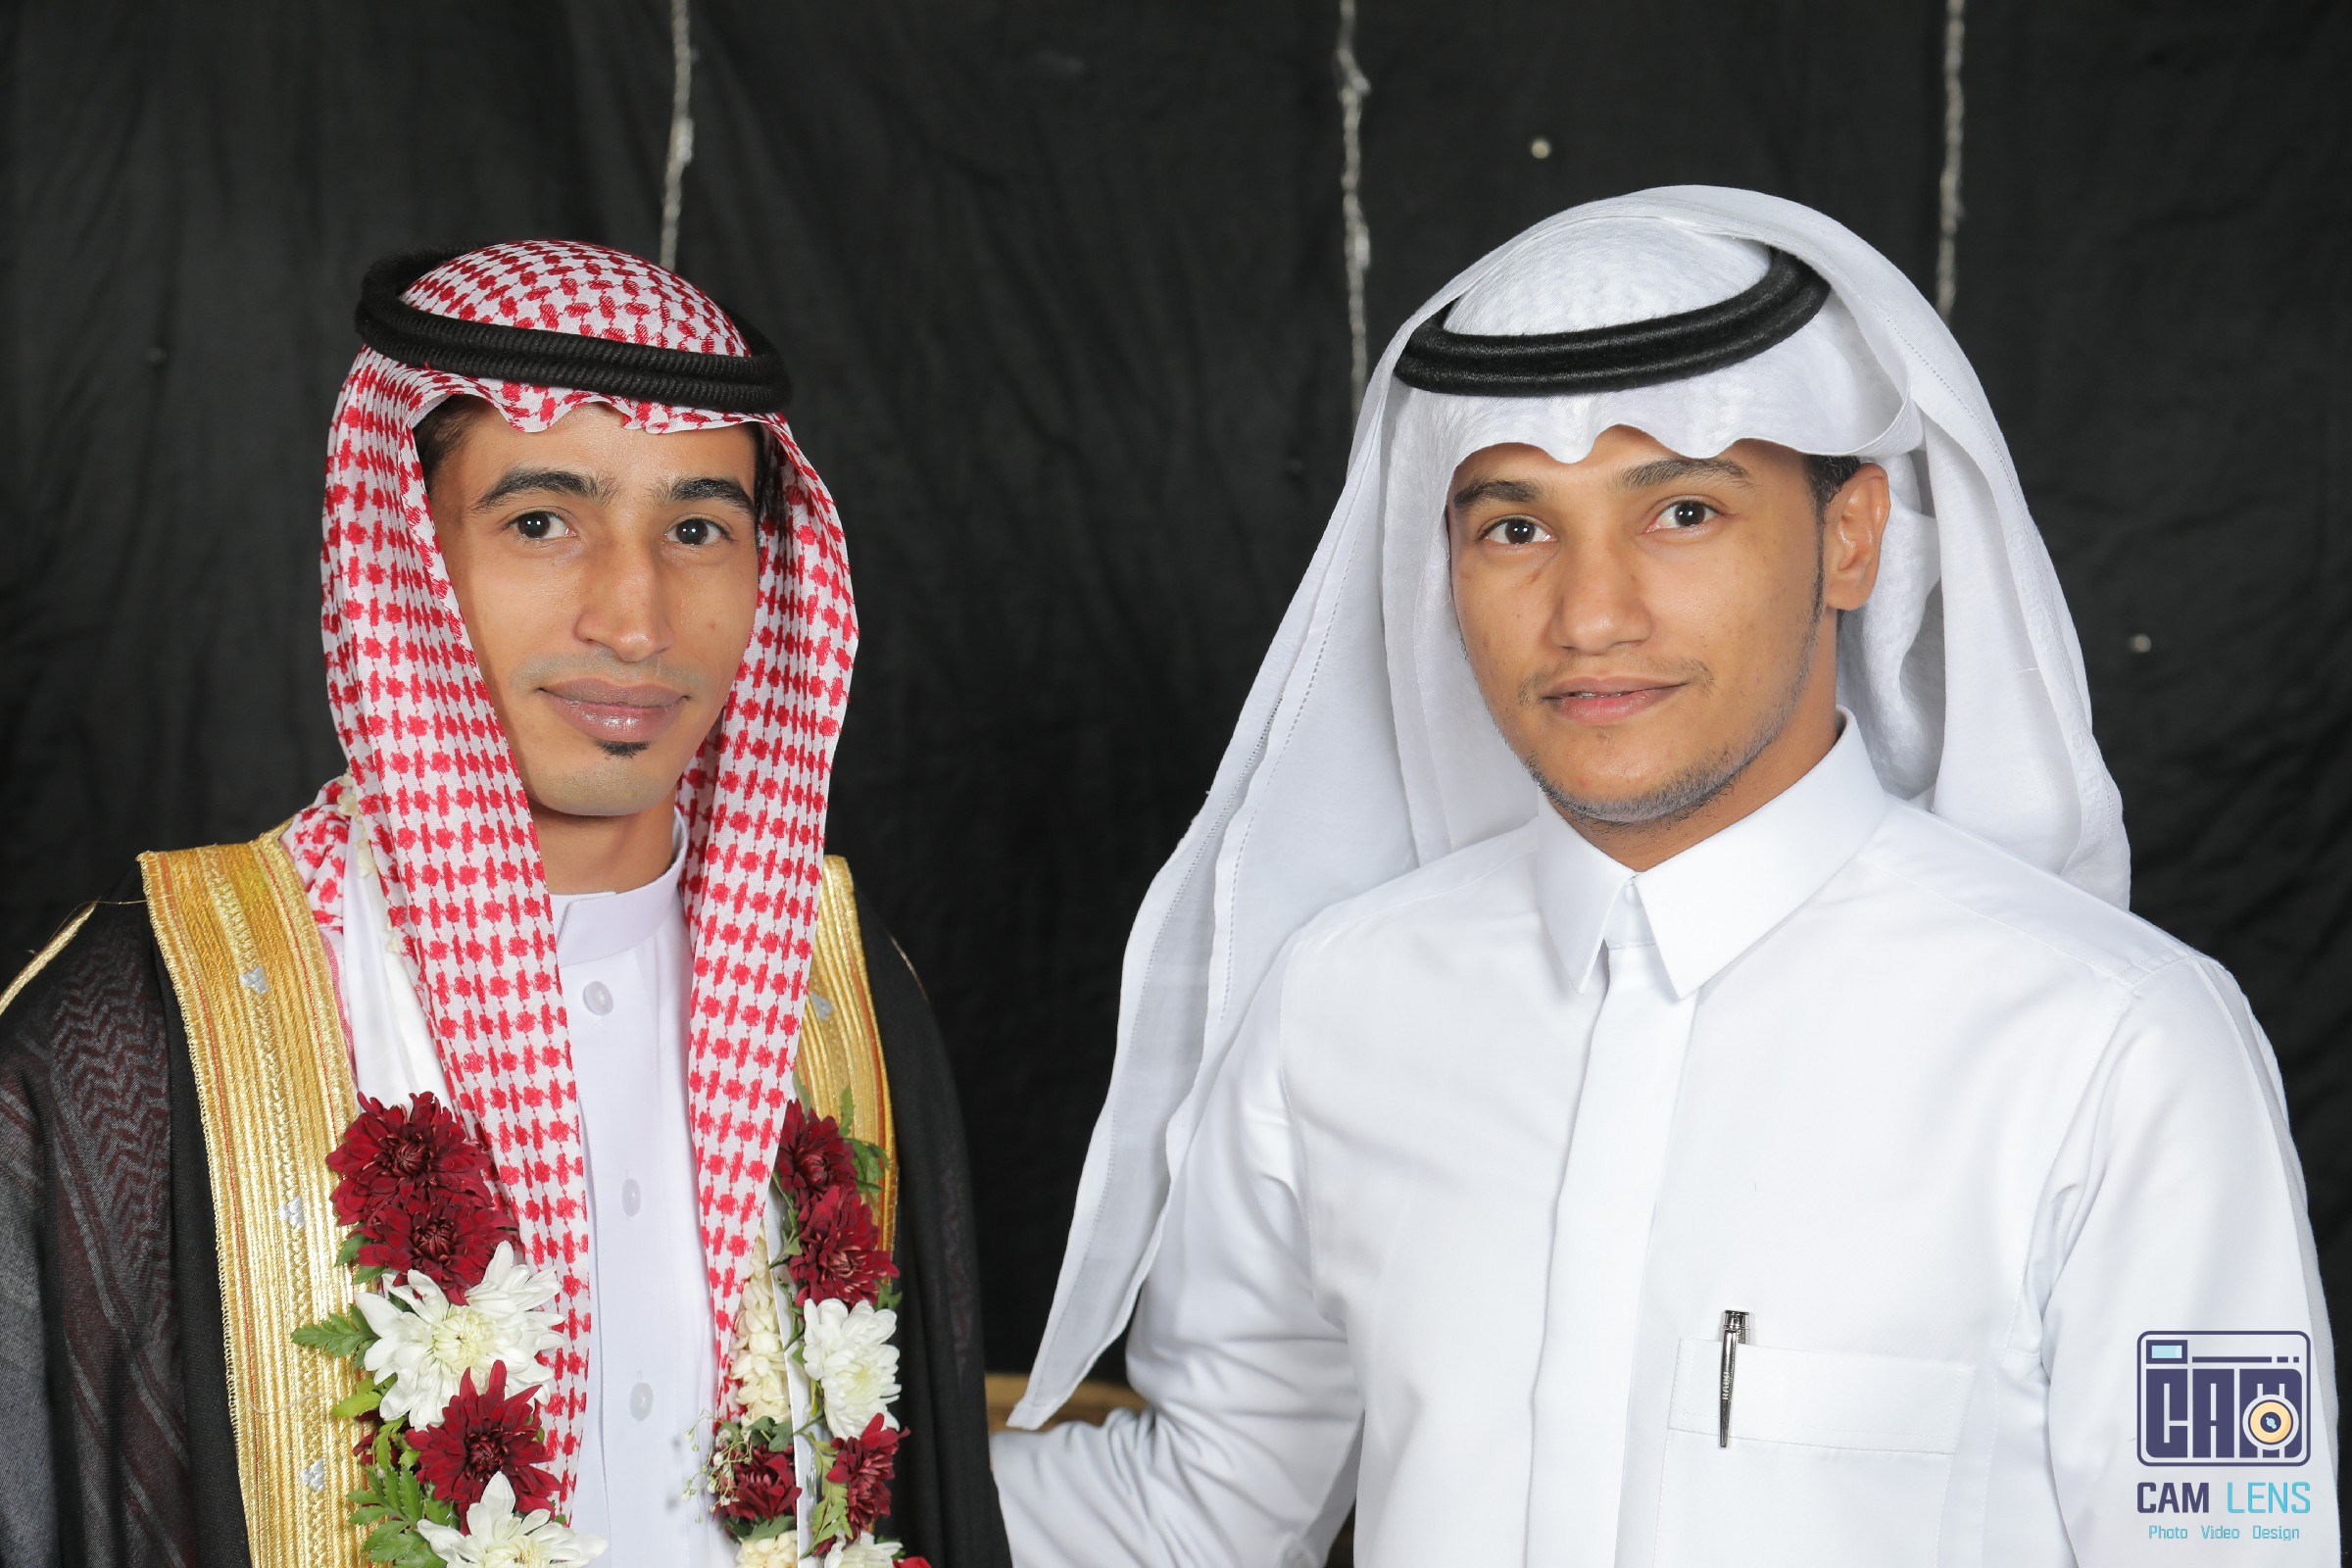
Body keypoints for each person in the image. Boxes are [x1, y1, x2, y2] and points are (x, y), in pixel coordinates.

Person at [990, 189, 2337, 1564]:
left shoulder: (2111, 1048)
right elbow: (1195, 1514)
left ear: (1853, 536)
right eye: (1517, 529)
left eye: (1682, 511)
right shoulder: (1340, 1001)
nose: (1590, 616)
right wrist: (838, 1470)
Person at [0, 241, 1011, 1568]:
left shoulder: (841, 985)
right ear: (404, 555)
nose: (636, 622)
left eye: (697, 528)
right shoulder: (150, 1017)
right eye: (542, 521)